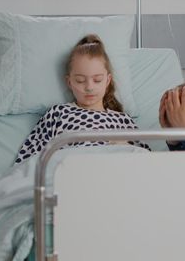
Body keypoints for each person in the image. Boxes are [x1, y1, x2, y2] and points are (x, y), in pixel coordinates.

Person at [14, 34, 149, 164]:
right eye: (80, 80)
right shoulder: (58, 114)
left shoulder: (122, 121)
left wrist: (124, 147)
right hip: (72, 175)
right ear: (69, 82)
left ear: (107, 81)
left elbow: (149, 161)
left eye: (97, 80)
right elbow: (28, 161)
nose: (89, 87)